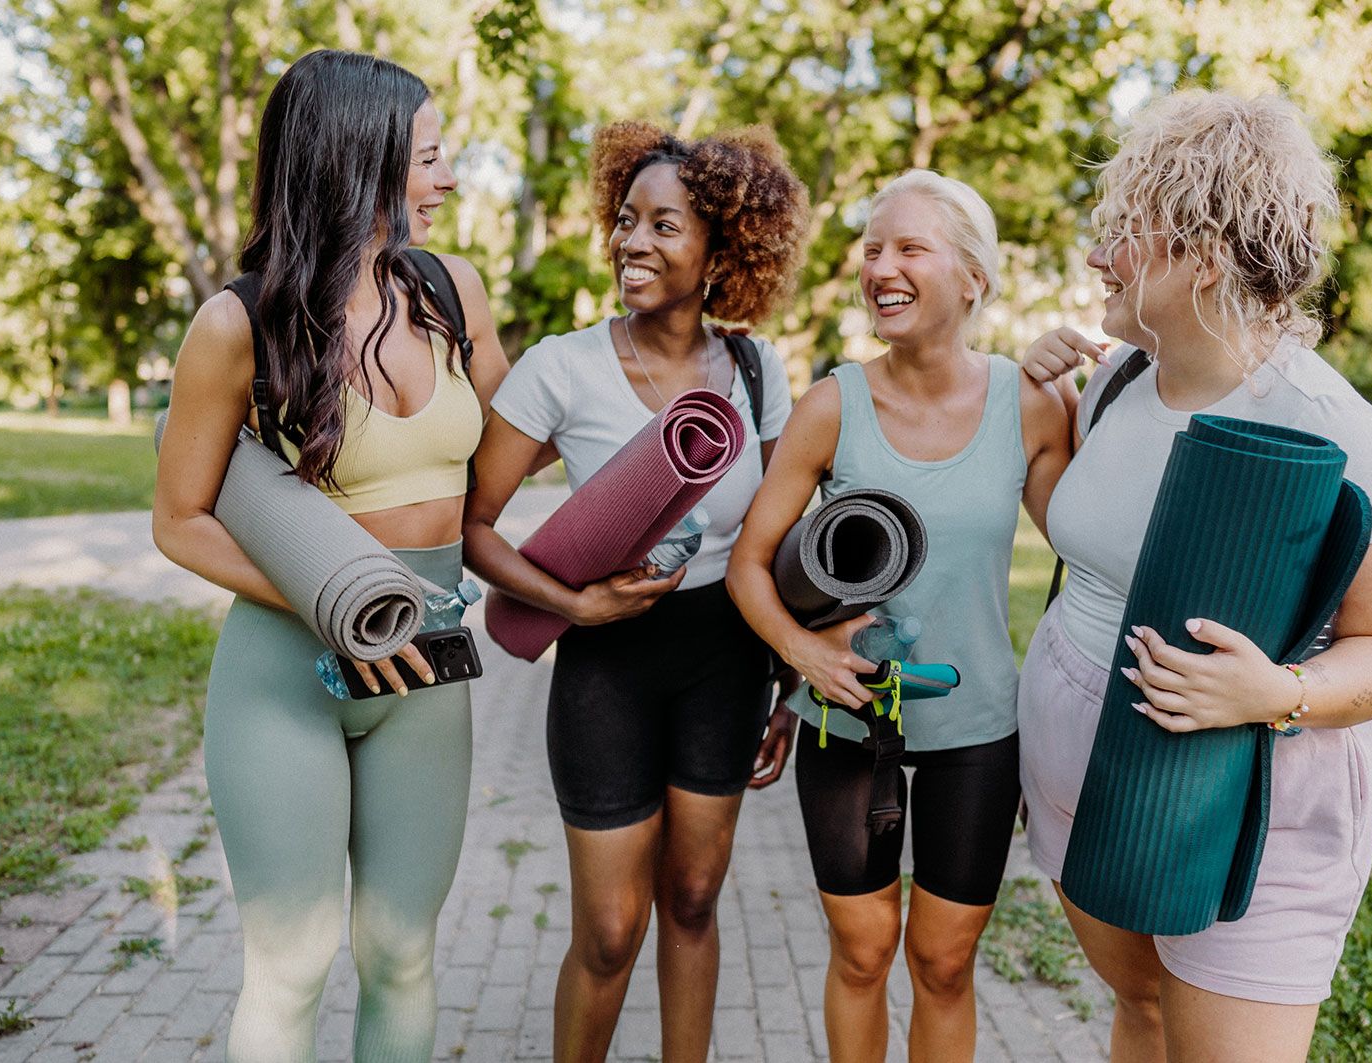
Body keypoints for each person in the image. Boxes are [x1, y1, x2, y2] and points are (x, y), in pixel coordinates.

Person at [1015, 89, 1372, 1063]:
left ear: (1204, 256)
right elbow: (1103, 548)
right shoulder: (1120, 379)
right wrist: (1042, 414)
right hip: (1090, 773)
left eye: (1120, 235)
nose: (1093, 258)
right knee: (1141, 1012)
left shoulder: (1336, 431)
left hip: (1249, 799)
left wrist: (1280, 692)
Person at [151, 50, 507, 1062]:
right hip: (287, 676)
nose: (448, 179)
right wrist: (329, 605)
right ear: (362, 159)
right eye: (430, 157)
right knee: (294, 962)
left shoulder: (451, 293)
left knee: (401, 951)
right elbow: (179, 518)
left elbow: (519, 443)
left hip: (427, 668)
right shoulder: (237, 324)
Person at [463, 121, 810, 1063]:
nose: (633, 243)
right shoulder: (561, 366)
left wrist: (791, 681)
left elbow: (775, 538)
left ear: (721, 250)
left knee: (693, 901)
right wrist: (572, 606)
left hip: (725, 658)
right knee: (612, 929)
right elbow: (475, 525)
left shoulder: (754, 369)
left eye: (665, 226)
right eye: (627, 219)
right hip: (606, 661)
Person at [726, 170, 1071, 1063]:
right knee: (865, 948)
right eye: (874, 248)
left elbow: (1095, 542)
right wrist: (804, 654)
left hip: (977, 726)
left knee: (944, 960)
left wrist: (1096, 391)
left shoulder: (1029, 406)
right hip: (846, 720)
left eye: (910, 247)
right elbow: (748, 566)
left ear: (971, 276)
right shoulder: (833, 405)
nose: (882, 266)